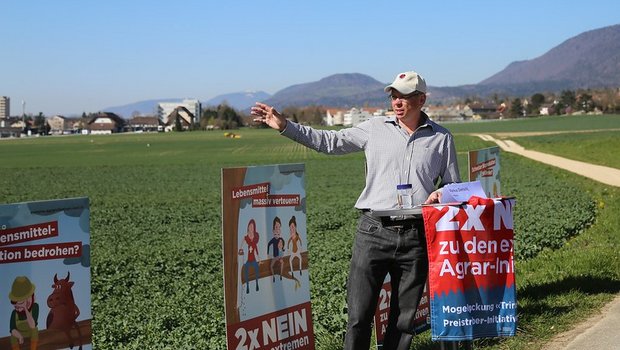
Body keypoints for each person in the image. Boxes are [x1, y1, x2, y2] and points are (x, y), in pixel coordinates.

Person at [251, 70, 460, 350]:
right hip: (373, 232)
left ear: (421, 99)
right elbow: (329, 141)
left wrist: (442, 193)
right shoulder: (374, 128)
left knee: (403, 319)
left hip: (417, 235)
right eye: (393, 95)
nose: (397, 102)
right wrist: (286, 126)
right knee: (359, 316)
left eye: (405, 96)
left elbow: (453, 186)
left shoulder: (441, 138)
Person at [9, 276, 39, 350]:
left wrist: (25, 308)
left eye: (21, 305)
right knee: (13, 337)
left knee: (35, 330)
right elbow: (12, 329)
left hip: (30, 333)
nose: (19, 310)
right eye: (16, 307)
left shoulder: (35, 307)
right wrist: (19, 336)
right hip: (20, 334)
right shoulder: (14, 313)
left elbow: (32, 325)